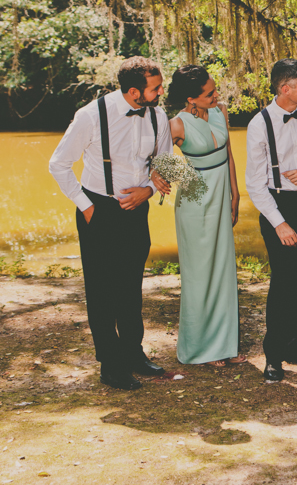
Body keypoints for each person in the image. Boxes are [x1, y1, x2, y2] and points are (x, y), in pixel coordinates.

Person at [49, 56, 173, 390]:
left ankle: (133, 353)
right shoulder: (91, 116)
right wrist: (87, 207)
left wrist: (148, 190)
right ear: (134, 92)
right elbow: (58, 164)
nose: (161, 92)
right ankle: (111, 365)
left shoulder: (158, 116)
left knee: (131, 287)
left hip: (137, 210)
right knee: (102, 292)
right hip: (98, 210)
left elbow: (167, 162)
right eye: (156, 88)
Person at [246, 59, 297, 382]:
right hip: (277, 204)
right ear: (285, 88)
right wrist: (279, 223)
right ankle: (273, 354)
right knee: (283, 282)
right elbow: (255, 183)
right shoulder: (259, 124)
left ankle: (295, 344)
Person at [163, 65, 245, 367]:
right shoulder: (175, 125)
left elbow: (229, 154)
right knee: (199, 275)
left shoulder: (220, 111)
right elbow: (158, 161)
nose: (216, 95)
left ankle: (225, 346)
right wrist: (193, 182)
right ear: (190, 98)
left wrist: (235, 193)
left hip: (223, 198)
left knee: (223, 271)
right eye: (209, 93)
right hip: (195, 206)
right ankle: (200, 349)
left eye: (214, 90)